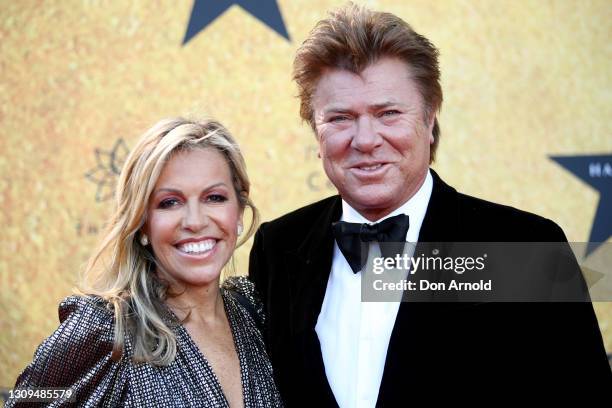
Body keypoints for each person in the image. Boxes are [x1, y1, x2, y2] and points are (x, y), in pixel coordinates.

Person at [249, 3, 611, 406]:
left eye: (388, 113)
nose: (365, 139)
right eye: (340, 118)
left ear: (430, 116)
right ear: (315, 129)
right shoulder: (278, 248)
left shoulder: (523, 246)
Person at [8, 118, 283, 407]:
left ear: (238, 211)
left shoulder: (256, 312)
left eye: (214, 198)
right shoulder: (104, 328)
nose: (195, 221)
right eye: (169, 202)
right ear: (142, 224)